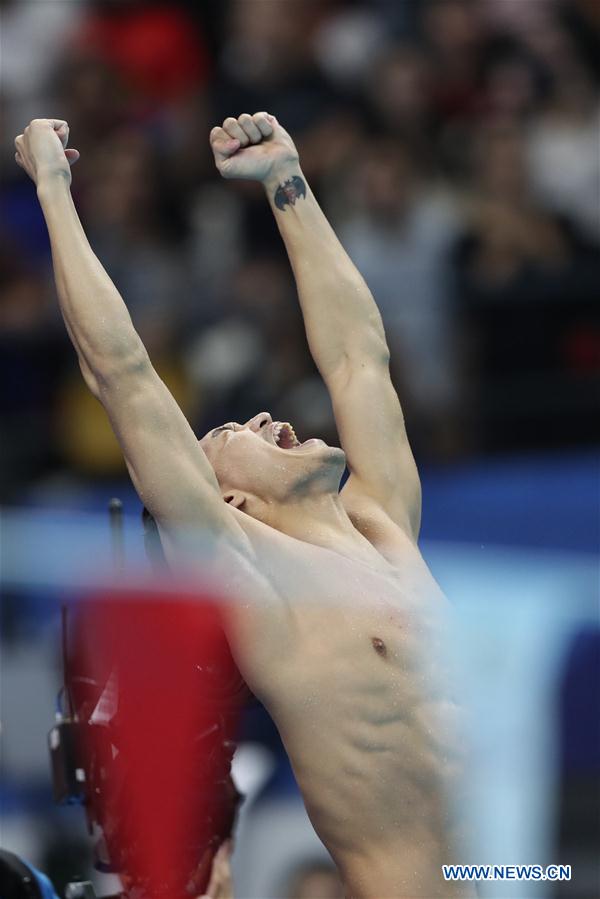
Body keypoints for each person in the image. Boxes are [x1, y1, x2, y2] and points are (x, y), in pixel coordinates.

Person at [15, 116, 472, 898]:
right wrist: (55, 190)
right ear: (227, 499)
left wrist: (286, 183)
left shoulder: (386, 526)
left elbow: (359, 355)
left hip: (513, 869)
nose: (264, 417)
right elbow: (122, 373)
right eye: (232, 429)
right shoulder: (260, 584)